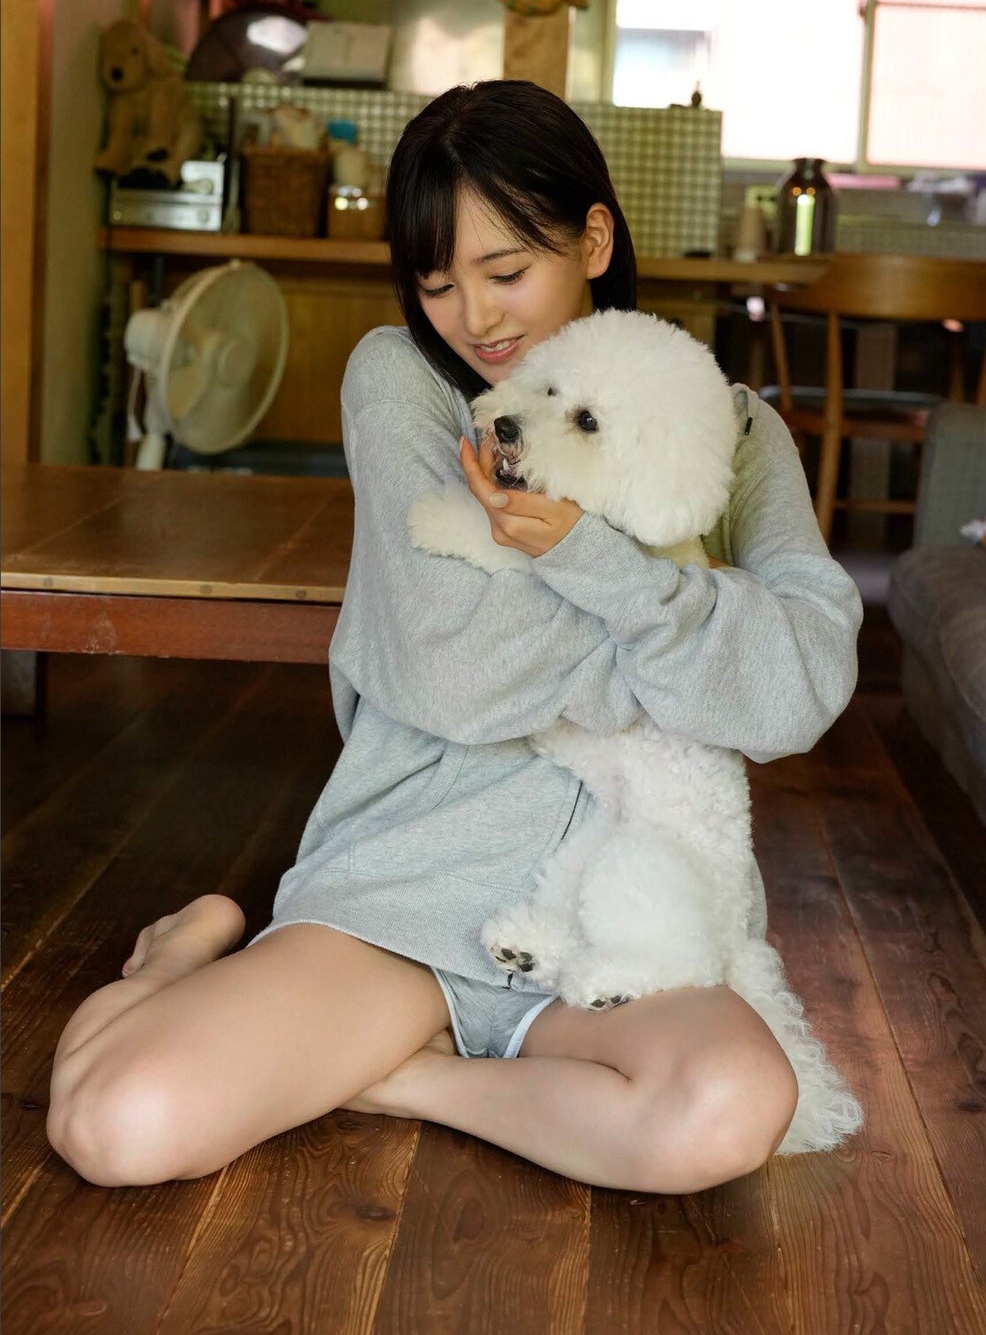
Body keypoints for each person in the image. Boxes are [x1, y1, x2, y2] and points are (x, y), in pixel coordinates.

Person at [45, 79, 862, 1195]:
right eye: (438, 283)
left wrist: (589, 565)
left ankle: (402, 1077)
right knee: (113, 1125)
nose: (475, 319)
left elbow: (800, 692)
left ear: (593, 238)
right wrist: (696, 632)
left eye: (505, 272)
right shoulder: (408, 385)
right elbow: (453, 668)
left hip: (619, 932)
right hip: (406, 906)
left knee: (733, 1105)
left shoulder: (737, 431)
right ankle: (178, 958)